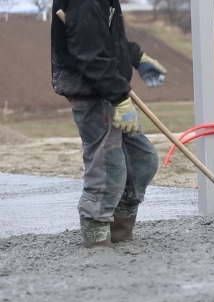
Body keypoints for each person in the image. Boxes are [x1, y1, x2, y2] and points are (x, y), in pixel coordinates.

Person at [51, 0, 168, 248]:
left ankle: (120, 236)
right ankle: (97, 242)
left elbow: (104, 38)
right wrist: (119, 97)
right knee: (108, 169)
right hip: (93, 93)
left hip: (109, 90)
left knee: (142, 161)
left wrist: (137, 56)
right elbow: (90, 53)